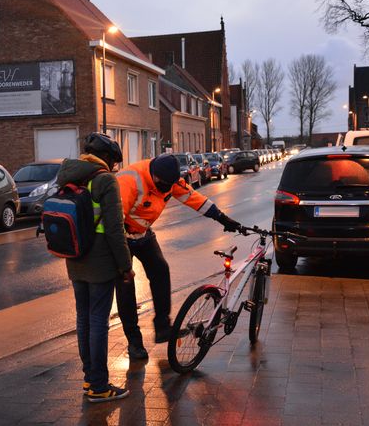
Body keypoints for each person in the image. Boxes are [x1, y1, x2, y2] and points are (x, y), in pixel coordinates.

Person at [115, 153, 243, 358]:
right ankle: (134, 342)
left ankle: (163, 327)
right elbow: (115, 221)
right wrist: (122, 261)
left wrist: (222, 218)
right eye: (162, 184)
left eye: (170, 185)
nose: (166, 189)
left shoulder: (169, 180)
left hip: (144, 233)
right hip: (121, 236)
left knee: (160, 271)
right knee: (125, 287)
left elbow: (194, 199)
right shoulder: (130, 181)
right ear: (154, 175)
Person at [56, 132, 134, 403]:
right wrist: (125, 266)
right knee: (99, 321)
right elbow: (114, 229)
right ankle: (99, 386)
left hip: (74, 256)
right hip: (100, 261)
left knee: (83, 318)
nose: (114, 166)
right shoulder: (105, 180)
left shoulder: (69, 174)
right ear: (107, 158)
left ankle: (90, 378)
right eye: (113, 160)